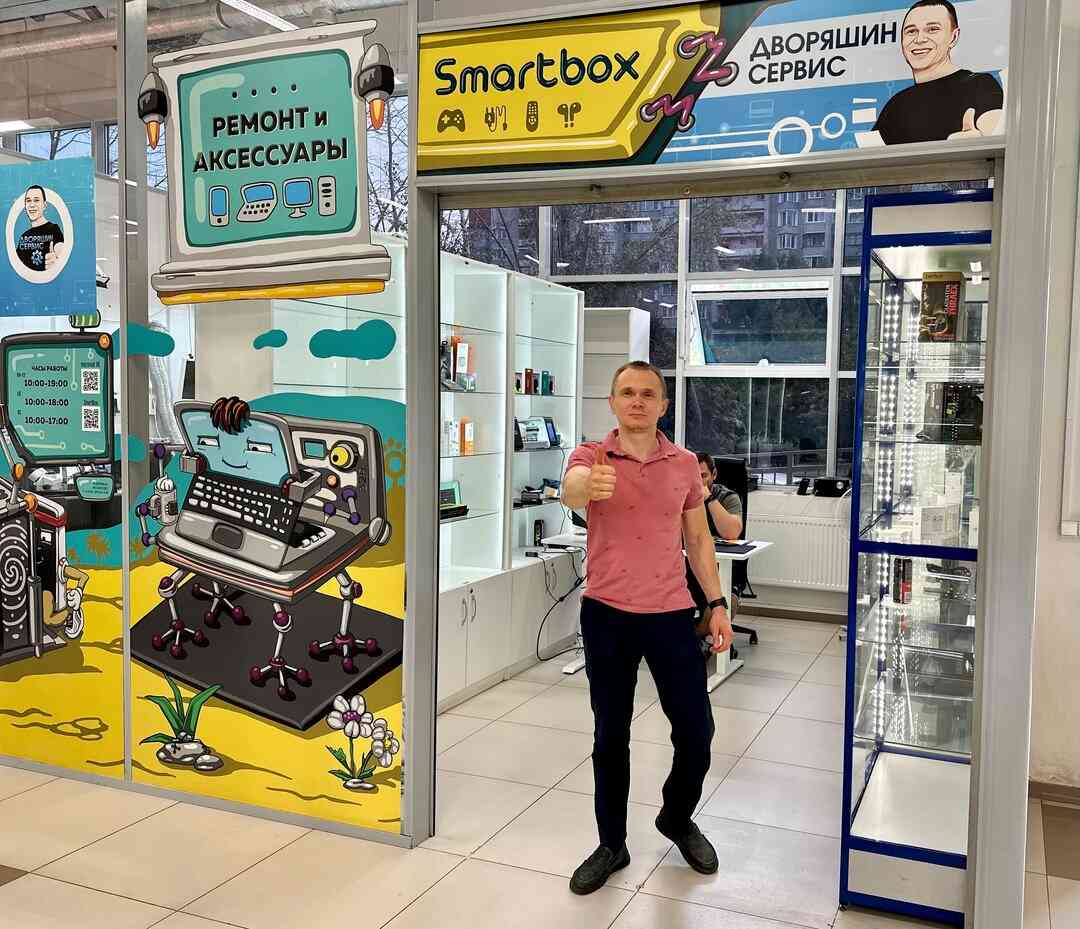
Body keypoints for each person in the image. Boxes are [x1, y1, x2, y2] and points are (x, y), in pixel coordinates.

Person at [561, 360, 734, 896]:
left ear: (663, 405)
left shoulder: (683, 464)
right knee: (610, 735)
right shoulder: (591, 455)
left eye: (648, 394)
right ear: (612, 402)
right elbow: (571, 491)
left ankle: (676, 818)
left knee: (697, 732)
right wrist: (587, 485)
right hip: (607, 614)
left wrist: (717, 603)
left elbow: (699, 540)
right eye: (627, 392)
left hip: (670, 614)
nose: (637, 401)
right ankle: (611, 844)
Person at [872, 0, 1003, 145]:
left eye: (932, 29)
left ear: (953, 37)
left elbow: (996, 136)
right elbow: (870, 155)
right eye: (911, 31)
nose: (919, 39)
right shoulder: (896, 105)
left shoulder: (980, 85)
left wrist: (978, 143)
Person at [685, 452, 743, 617]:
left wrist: (709, 499)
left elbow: (731, 532)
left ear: (714, 475)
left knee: (725, 604)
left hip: (717, 567)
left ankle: (699, 630)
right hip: (685, 566)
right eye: (694, 476)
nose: (698, 481)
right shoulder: (679, 495)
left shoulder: (727, 497)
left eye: (703, 476)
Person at [15, 185, 64, 272]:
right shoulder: (24, 236)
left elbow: (61, 249)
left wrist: (58, 260)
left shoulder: (53, 229)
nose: (32, 205)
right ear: (25, 207)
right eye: (28, 201)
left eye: (36, 200)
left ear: (44, 205)